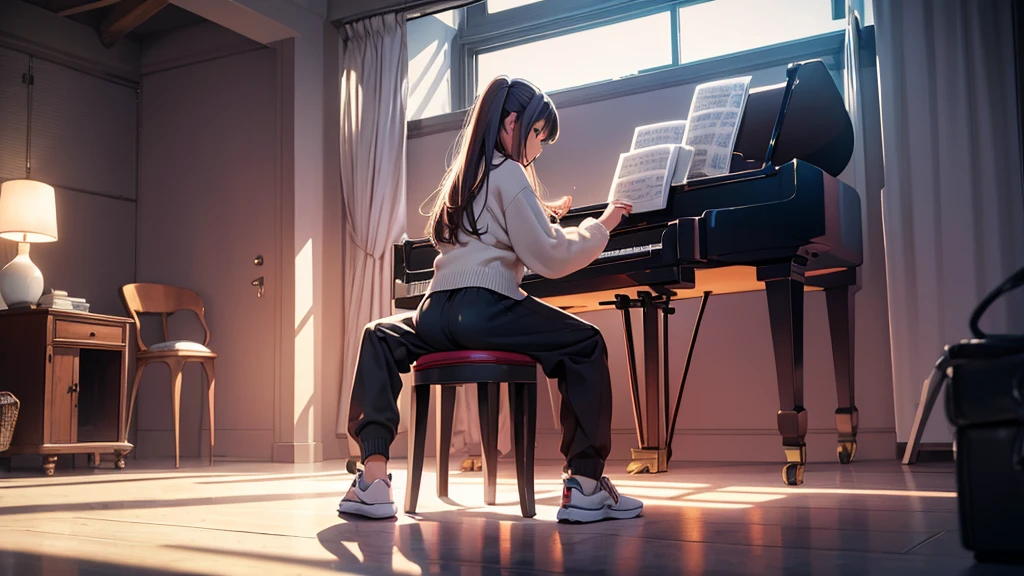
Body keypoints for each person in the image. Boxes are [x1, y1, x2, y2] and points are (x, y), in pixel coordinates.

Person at [338, 75, 641, 523]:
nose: (538, 147)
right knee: (586, 343)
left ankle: (374, 479)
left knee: (378, 335)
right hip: (485, 309)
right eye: (538, 134)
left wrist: (540, 210)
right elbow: (551, 255)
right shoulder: (511, 173)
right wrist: (603, 223)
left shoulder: (466, 176)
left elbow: (494, 223)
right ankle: (586, 486)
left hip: (436, 311)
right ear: (513, 122)